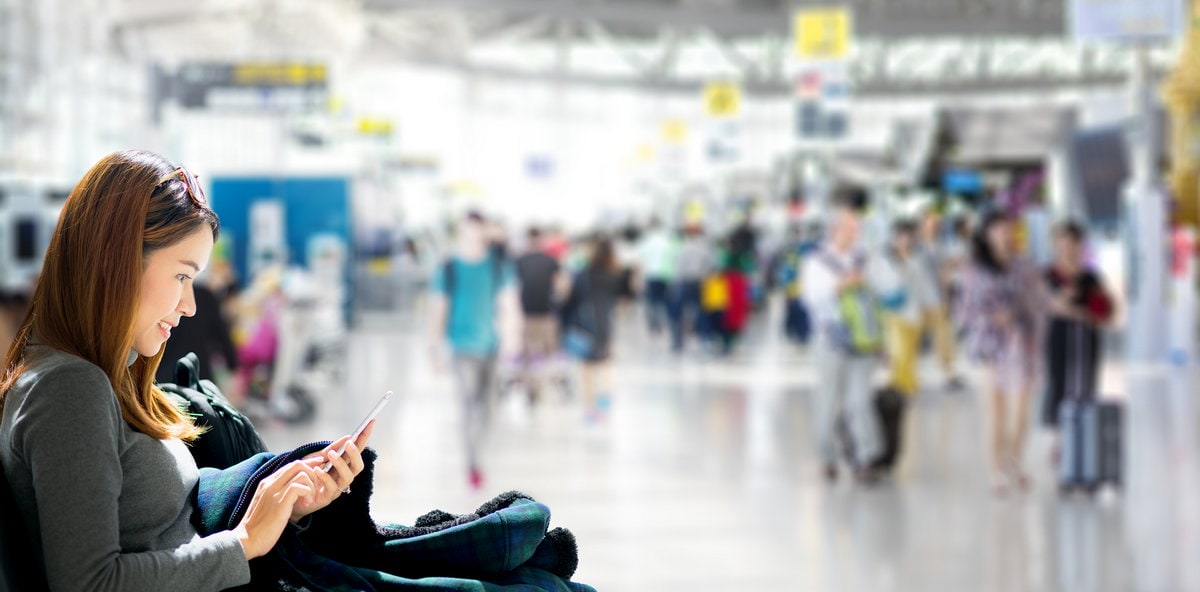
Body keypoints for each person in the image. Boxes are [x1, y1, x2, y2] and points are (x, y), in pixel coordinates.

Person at [0, 150, 371, 591]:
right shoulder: (68, 388)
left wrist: (283, 505)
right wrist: (244, 540)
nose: (190, 304)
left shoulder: (104, 376)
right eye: (181, 276)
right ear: (112, 260)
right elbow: (90, 583)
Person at [956, 210, 1047, 495]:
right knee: (995, 413)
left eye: (1008, 228)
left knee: (1020, 413)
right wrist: (993, 317)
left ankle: (1015, 462)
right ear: (986, 234)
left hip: (1022, 344)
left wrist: (1020, 315)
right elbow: (963, 312)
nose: (1004, 234)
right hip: (990, 347)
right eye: (998, 229)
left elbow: (1039, 302)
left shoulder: (1025, 266)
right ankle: (996, 471)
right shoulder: (973, 268)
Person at [429, 211, 520, 489]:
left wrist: (512, 338)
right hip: (461, 347)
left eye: (477, 229)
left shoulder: (497, 266)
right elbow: (438, 310)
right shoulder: (449, 267)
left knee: (490, 407)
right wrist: (434, 348)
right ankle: (473, 463)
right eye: (466, 229)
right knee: (468, 407)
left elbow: (510, 305)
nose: (472, 235)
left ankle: (478, 453)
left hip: (491, 346)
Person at [802, 193, 883, 483]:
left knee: (860, 400)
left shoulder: (866, 258)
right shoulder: (817, 262)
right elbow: (812, 298)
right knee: (828, 400)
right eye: (850, 227)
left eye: (857, 227)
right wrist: (843, 284)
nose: (855, 232)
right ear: (834, 230)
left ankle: (865, 458)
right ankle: (827, 457)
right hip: (830, 340)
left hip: (864, 339)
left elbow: (880, 296)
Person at [1041, 221, 1114, 462]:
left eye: (1072, 243)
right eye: (1062, 243)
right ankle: (1060, 442)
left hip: (1087, 342)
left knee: (1086, 385)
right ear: (1055, 246)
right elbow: (1047, 306)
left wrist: (1090, 312)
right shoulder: (1048, 275)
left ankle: (1084, 439)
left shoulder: (1091, 277)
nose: (1067, 248)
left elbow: (1107, 311)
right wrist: (1078, 311)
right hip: (1058, 340)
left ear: (1080, 246)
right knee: (1059, 384)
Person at [561, 237, 622, 423]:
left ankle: (590, 410)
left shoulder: (582, 275)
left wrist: (565, 324)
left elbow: (569, 303)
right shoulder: (614, 276)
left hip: (585, 326)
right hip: (606, 325)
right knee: (606, 363)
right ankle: (605, 400)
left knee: (586, 369)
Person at [514, 226, 569, 403]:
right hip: (546, 313)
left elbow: (512, 287)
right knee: (548, 350)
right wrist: (558, 301)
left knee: (528, 352)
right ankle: (547, 384)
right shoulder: (551, 261)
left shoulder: (519, 261)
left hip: (525, 313)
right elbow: (562, 285)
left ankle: (532, 387)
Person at [876, 220, 928, 398]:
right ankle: (897, 385)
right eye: (901, 237)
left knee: (910, 352)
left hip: (914, 314)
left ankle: (906, 385)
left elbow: (921, 286)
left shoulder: (916, 260)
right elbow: (882, 286)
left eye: (908, 237)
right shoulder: (886, 261)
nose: (904, 241)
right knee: (898, 352)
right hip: (894, 314)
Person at [916, 208, 966, 391]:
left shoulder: (941, 246)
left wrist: (946, 295)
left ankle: (950, 374)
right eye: (929, 223)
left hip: (937, 300)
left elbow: (946, 271)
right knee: (913, 340)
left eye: (935, 224)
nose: (932, 227)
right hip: (917, 302)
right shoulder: (914, 246)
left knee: (944, 339)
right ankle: (908, 377)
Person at [154, 280, 239, 385]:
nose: (191, 309)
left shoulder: (169, 295)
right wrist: (233, 366)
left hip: (165, 374)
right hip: (198, 375)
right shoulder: (205, 296)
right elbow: (222, 335)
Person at [669, 225, 714, 352]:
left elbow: (678, 267)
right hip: (701, 282)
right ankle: (703, 339)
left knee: (679, 312)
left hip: (685, 282)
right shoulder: (706, 248)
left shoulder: (684, 247)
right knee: (703, 312)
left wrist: (676, 283)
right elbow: (711, 266)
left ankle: (678, 341)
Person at [636, 219, 677, 336]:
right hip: (665, 275)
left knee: (652, 302)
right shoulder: (667, 240)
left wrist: (639, 278)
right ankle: (662, 324)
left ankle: (654, 326)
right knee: (663, 302)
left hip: (651, 275)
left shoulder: (646, 240)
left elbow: (640, 260)